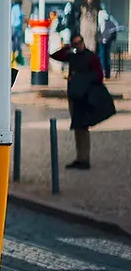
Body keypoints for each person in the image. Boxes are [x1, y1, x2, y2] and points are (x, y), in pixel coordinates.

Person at [50, 33, 115, 169]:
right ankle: (80, 157)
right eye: (75, 43)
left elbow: (98, 75)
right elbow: (55, 56)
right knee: (77, 126)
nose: (78, 45)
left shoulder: (91, 57)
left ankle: (84, 158)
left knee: (83, 127)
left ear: (83, 42)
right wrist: (67, 48)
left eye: (79, 43)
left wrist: (81, 79)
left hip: (85, 95)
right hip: (75, 95)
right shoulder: (72, 55)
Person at [98, 9, 120, 80]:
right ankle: (107, 73)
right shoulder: (110, 20)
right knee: (106, 57)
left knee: (102, 56)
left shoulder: (102, 18)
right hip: (107, 41)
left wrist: (103, 38)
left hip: (103, 41)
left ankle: (103, 72)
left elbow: (101, 30)